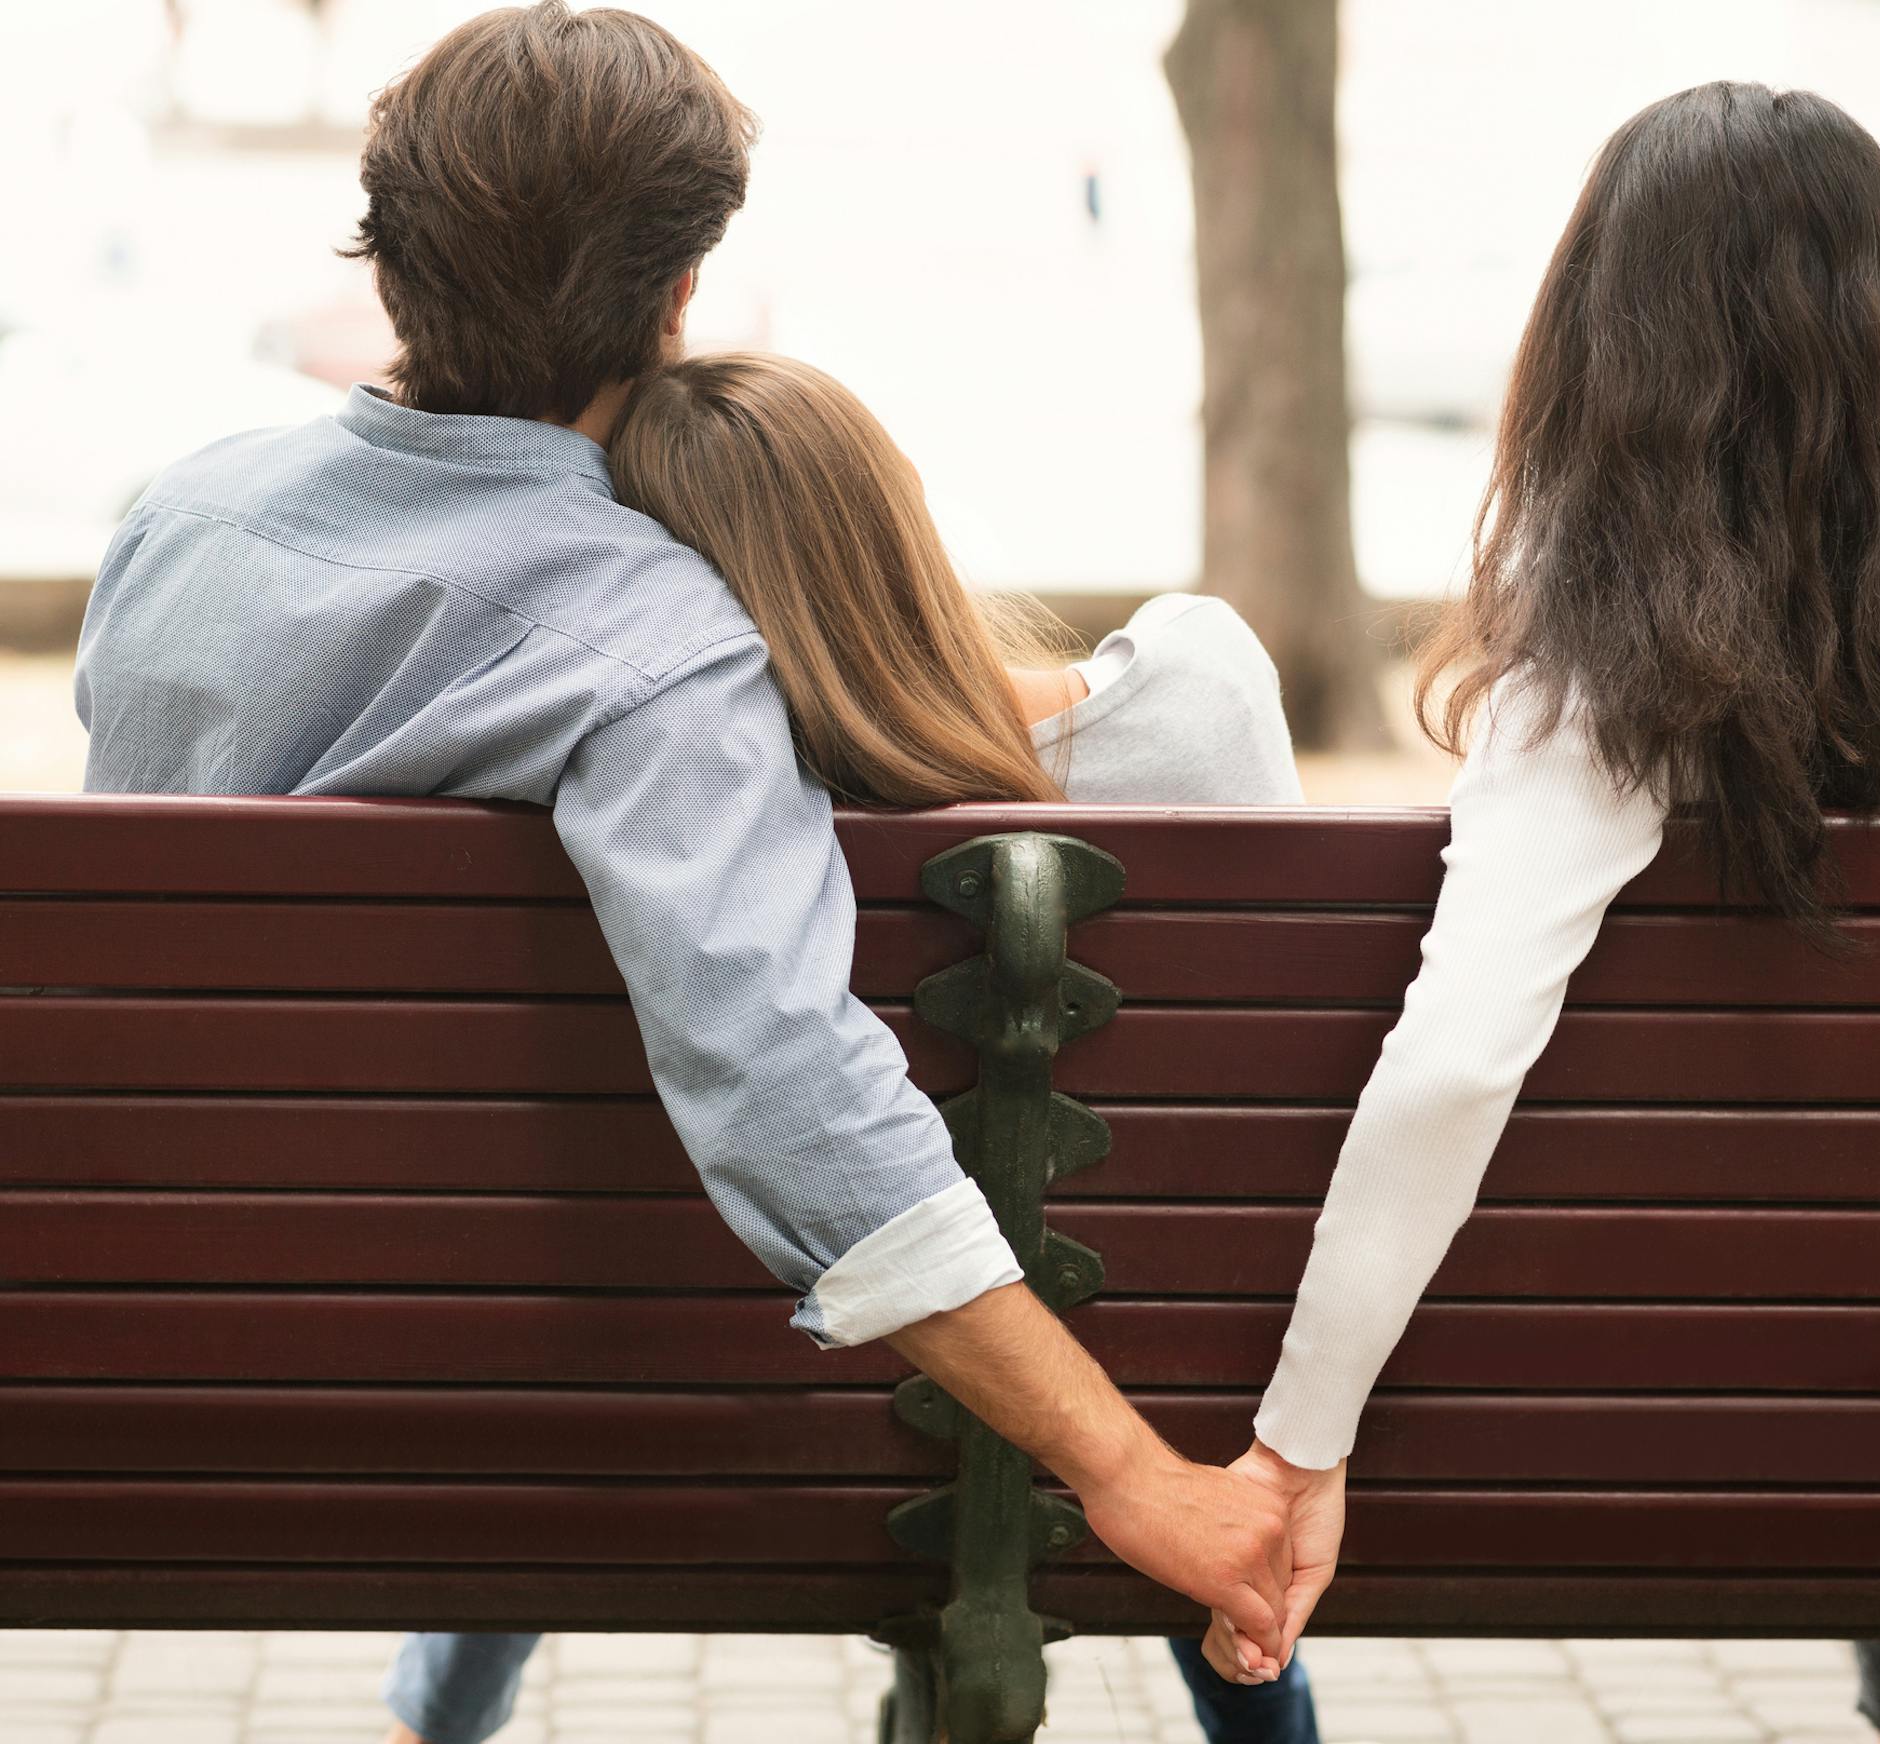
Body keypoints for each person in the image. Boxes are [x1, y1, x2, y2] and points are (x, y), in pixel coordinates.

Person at [66, 0, 1295, 1730]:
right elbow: (779, 1076)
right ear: (676, 298)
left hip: (159, 1356)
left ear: (390, 259)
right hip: (576, 1391)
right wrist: (1125, 1466)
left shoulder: (177, 519)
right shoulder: (654, 648)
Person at [1198, 82, 1880, 1744]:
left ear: (1598, 364)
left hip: (1610, 1434)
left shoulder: (1585, 710)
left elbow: (1458, 1060)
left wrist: (1299, 1441)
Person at [382, 350, 1323, 1744]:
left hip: (712, 1399)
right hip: (1124, 1393)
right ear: (901, 513)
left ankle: (430, 1723)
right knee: (1154, 1307)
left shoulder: (634, 814)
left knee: (598, 1320)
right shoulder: (1202, 689)